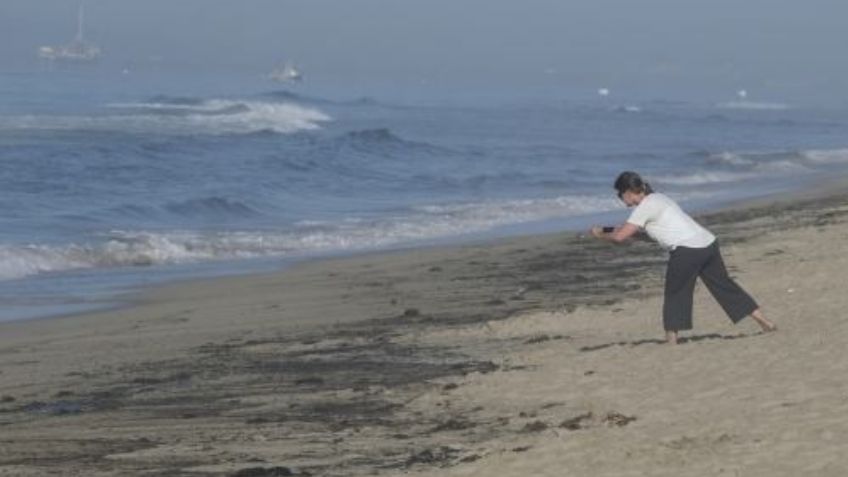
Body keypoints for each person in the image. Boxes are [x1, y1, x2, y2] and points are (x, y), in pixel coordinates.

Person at [590, 171, 777, 345]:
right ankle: (765, 322)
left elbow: (620, 236)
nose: (620, 198)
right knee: (725, 286)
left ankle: (671, 341)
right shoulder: (658, 198)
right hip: (708, 244)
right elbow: (638, 232)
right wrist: (605, 229)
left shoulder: (645, 207)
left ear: (629, 192)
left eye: (619, 194)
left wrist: (600, 235)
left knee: (676, 294)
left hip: (687, 250)